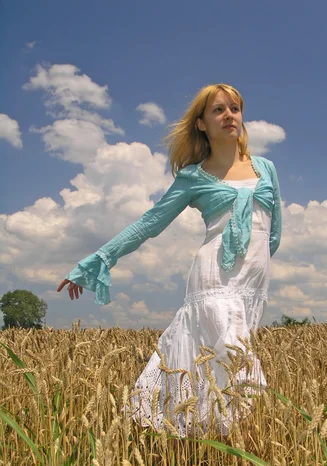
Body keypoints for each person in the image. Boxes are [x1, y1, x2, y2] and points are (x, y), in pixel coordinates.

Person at [57, 83, 282, 441]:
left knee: (218, 367)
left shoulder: (265, 168)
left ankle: (198, 451)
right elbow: (150, 222)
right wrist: (99, 259)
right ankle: (240, 450)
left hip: (252, 285)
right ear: (202, 124)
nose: (229, 116)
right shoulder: (193, 176)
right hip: (213, 279)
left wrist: (255, 267)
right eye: (219, 110)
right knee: (237, 365)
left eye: (235, 109)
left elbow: (274, 234)